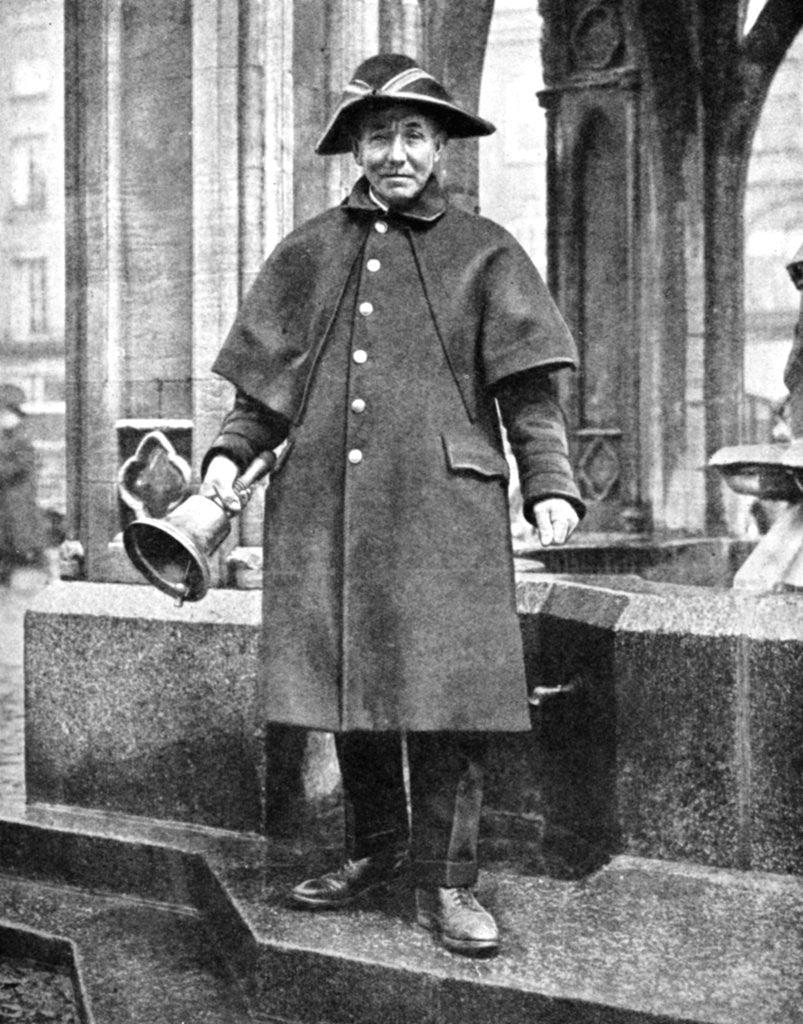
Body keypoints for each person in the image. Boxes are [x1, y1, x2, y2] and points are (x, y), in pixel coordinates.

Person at [201, 53, 585, 956]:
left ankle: (447, 881)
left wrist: (550, 483)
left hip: (443, 509)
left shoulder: (486, 250)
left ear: (441, 145)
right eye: (379, 136)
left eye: (414, 134)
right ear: (356, 149)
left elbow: (529, 395)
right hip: (329, 503)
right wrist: (226, 457)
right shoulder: (307, 250)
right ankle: (373, 851)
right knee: (353, 686)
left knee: (447, 697)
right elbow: (261, 399)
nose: (397, 152)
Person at [0, 384, 44, 585]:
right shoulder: (9, 435)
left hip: (17, 501)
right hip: (9, 503)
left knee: (19, 540)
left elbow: (19, 466)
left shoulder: (21, 437)